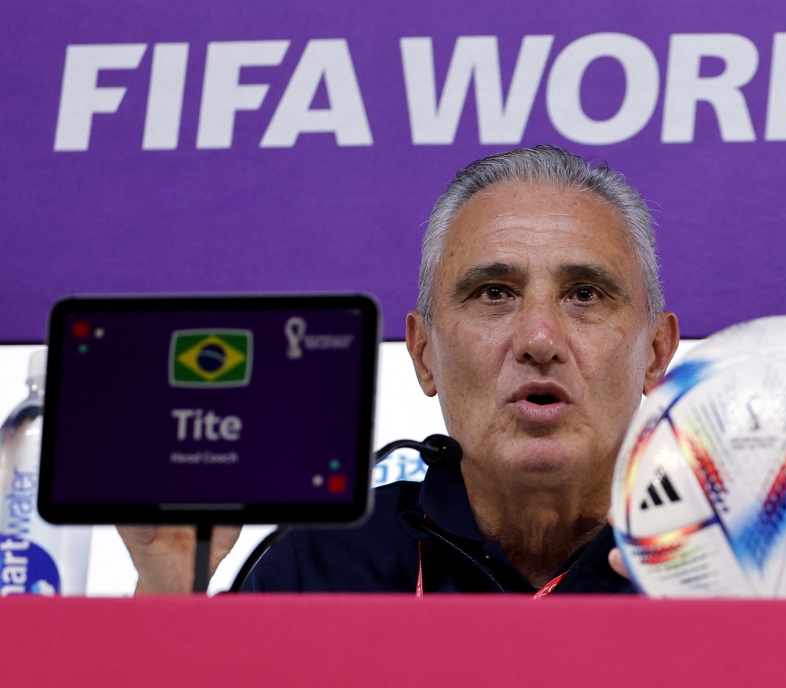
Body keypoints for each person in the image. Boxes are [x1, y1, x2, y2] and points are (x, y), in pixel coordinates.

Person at [119, 145, 679, 594]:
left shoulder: (720, 562)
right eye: (493, 293)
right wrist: (169, 591)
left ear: (655, 353)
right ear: (423, 353)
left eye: (584, 294)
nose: (539, 340)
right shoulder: (319, 568)